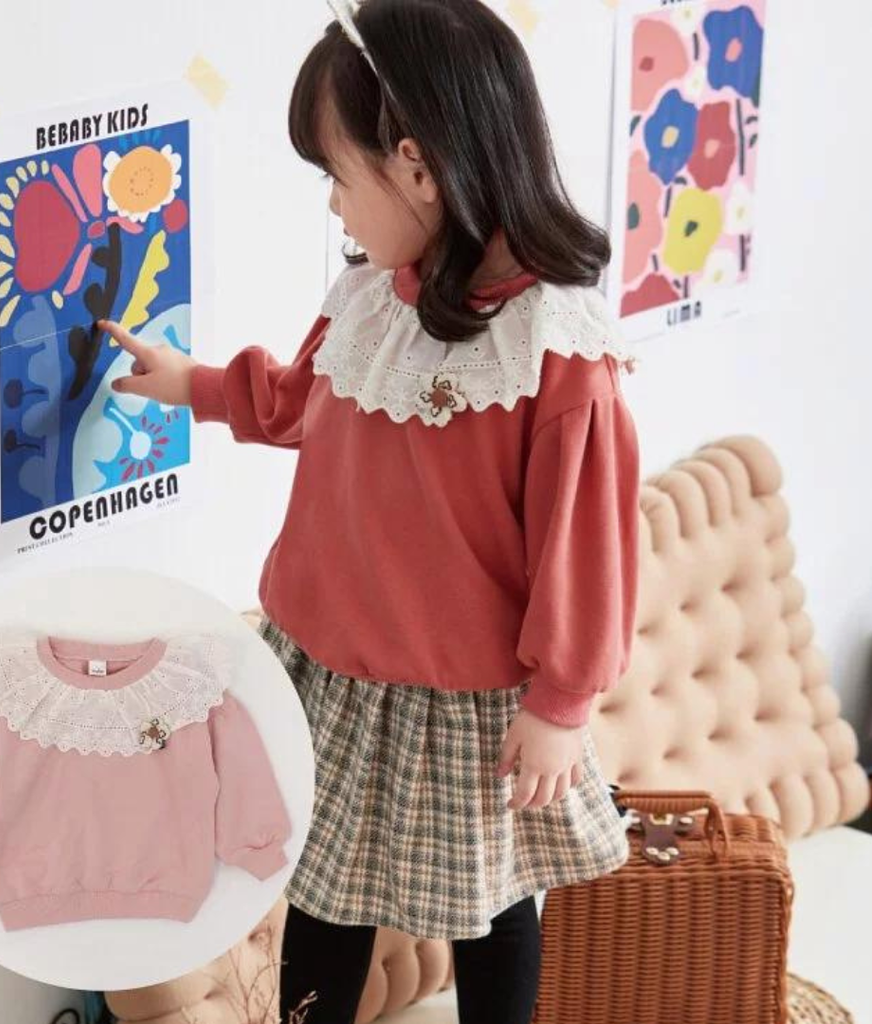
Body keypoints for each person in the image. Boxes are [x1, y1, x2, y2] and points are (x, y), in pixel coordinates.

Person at [102, 2, 641, 1020]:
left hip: (470, 699)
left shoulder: (555, 349)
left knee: (492, 909)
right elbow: (300, 400)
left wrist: (561, 702)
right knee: (323, 891)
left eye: (338, 177)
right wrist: (194, 385)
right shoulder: (370, 299)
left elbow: (588, 543)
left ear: (416, 167)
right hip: (334, 671)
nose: (335, 206)